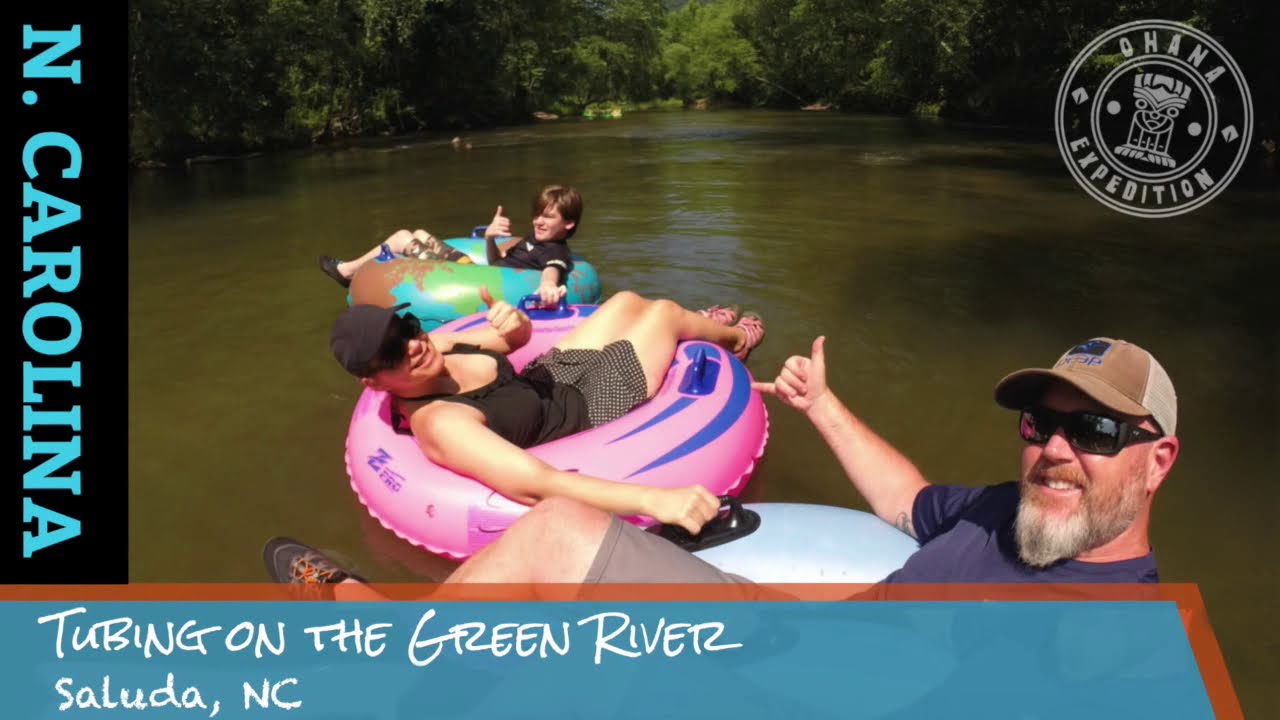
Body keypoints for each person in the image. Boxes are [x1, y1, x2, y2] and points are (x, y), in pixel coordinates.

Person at [266, 335, 1178, 591]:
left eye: (1097, 432)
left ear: (1158, 460)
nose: (1056, 451)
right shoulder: (1004, 512)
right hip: (815, 629)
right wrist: (821, 406)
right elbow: (909, 502)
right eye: (1040, 424)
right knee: (557, 530)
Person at [325, 288, 765, 535]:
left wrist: (515, 324)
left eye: (405, 328)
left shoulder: (437, 346)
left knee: (627, 301)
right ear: (374, 382)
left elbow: (513, 344)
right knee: (665, 313)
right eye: (391, 353)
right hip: (590, 408)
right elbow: (537, 485)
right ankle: (737, 340)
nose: (412, 346)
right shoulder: (441, 422)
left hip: (548, 377)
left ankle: (702, 324)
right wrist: (655, 499)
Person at [318, 185, 585, 308]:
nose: (538, 221)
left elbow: (552, 270)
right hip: (473, 269)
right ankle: (348, 271)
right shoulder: (536, 239)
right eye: (537, 215)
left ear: (569, 224)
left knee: (402, 237)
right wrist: (489, 237)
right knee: (419, 233)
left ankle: (347, 272)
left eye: (548, 217)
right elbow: (497, 261)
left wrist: (548, 286)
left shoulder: (555, 250)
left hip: (468, 277)